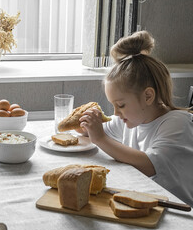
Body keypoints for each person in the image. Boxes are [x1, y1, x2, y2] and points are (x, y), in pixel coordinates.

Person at [78, 31, 193, 207]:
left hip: (180, 210)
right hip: (148, 202)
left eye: (121, 105)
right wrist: (86, 124)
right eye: (113, 105)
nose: (116, 112)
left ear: (148, 96)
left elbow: (149, 165)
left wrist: (99, 138)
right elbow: (92, 133)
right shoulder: (131, 118)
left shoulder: (177, 123)